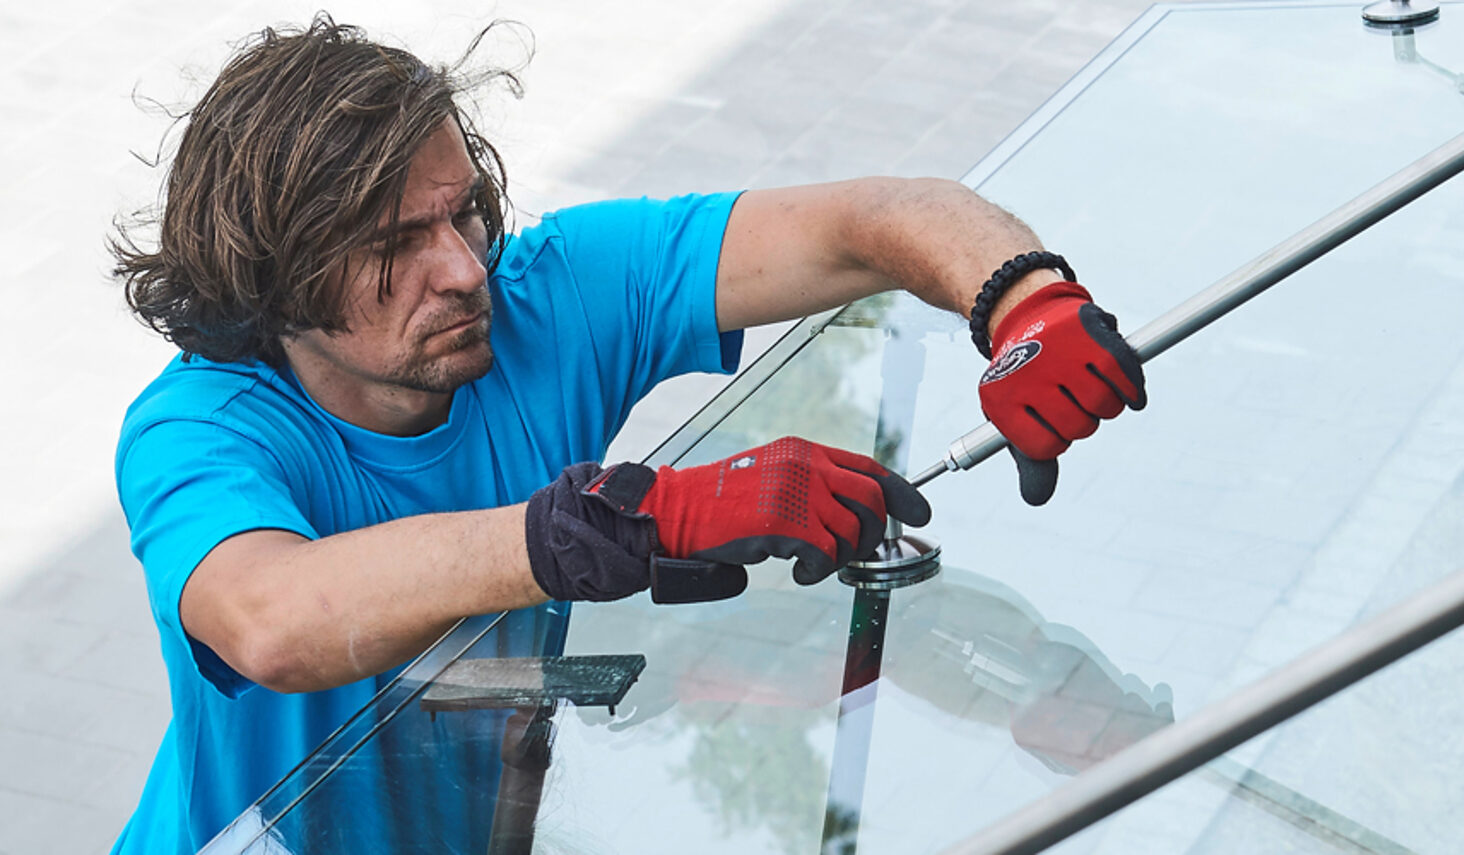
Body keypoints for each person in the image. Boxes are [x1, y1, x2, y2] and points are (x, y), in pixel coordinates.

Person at [109, 15, 1146, 855]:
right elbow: (269, 619)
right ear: (273, 275)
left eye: (462, 214)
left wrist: (1024, 302)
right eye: (396, 246)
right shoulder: (199, 427)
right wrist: (610, 528)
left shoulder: (545, 293)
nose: (466, 268)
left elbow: (877, 214)